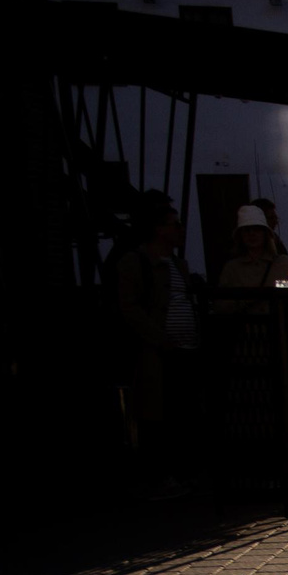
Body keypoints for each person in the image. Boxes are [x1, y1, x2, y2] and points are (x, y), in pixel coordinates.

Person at [109, 193, 200, 481]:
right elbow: (129, 307)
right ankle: (161, 475)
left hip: (185, 347)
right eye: (174, 225)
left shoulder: (177, 264)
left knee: (182, 412)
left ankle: (180, 473)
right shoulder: (136, 262)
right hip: (160, 351)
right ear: (159, 229)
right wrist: (160, 338)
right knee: (159, 413)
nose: (180, 230)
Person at [218, 205, 288, 288]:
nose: (252, 234)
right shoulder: (231, 269)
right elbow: (223, 300)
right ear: (240, 235)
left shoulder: (286, 264)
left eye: (257, 229)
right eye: (247, 230)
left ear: (265, 234)